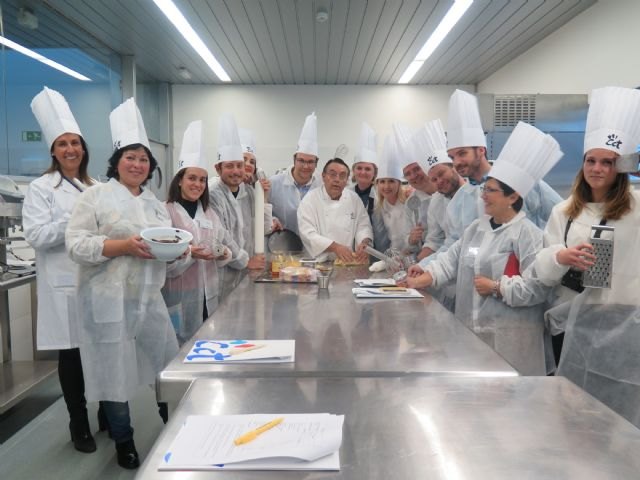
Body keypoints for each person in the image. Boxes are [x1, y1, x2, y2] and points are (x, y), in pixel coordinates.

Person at [66, 99, 182, 469]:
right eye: (130, 157)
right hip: (106, 299)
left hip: (148, 298)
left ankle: (174, 428)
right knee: (111, 371)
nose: (137, 165)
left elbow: (168, 241)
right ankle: (124, 440)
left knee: (166, 366)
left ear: (151, 167)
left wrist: (177, 252)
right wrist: (122, 246)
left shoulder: (154, 204)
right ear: (116, 162)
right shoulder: (94, 196)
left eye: (144, 159)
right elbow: (77, 245)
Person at [403, 122, 562, 375]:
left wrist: (497, 287)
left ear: (512, 197)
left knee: (516, 404)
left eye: (490, 191)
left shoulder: (528, 235)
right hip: (474, 331)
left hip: (515, 339)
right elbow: (450, 259)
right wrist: (426, 275)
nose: (483, 195)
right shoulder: (477, 228)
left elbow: (538, 287)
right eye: (483, 189)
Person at [529, 86, 640, 426]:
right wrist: (562, 256)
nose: (597, 169)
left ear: (620, 167)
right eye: (591, 160)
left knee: (625, 407)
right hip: (576, 321)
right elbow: (541, 268)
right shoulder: (565, 211)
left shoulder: (636, 207)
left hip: (627, 322)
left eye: (607, 162)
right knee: (576, 410)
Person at [23, 87, 97, 453]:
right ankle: (78, 423)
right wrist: (75, 221)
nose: (71, 149)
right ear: (53, 150)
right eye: (63, 143)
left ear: (83, 148)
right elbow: (36, 235)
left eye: (76, 143)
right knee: (71, 359)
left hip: (97, 283)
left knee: (98, 354)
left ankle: (104, 415)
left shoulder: (95, 185)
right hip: (63, 285)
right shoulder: (41, 188)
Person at [445, 90, 562, 245]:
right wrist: (426, 265)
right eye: (452, 157)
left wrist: (552, 253)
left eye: (462, 153)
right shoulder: (459, 200)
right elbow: (453, 246)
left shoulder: (523, 181)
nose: (457, 162)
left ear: (481, 150)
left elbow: (563, 215)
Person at [162, 121, 241, 343]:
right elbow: (166, 266)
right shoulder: (165, 213)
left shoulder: (208, 214)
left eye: (202, 180)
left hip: (210, 296)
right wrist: (190, 254)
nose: (198, 184)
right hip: (179, 296)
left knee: (208, 344)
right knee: (178, 348)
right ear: (179, 181)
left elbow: (226, 249)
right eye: (192, 178)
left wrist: (223, 253)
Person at [209, 114, 273, 298]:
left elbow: (265, 228)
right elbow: (221, 236)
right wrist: (245, 261)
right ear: (218, 168)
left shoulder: (250, 192)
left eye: (240, 165)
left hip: (247, 273)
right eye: (230, 166)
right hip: (223, 274)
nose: (237, 171)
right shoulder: (213, 194)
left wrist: (264, 196)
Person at [298, 158, 373, 263]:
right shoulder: (310, 200)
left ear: (346, 180)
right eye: (332, 174)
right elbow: (308, 233)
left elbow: (363, 225)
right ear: (323, 177)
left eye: (342, 176)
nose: (337, 179)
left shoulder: (353, 198)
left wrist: (365, 243)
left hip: (347, 262)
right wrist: (335, 247)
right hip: (317, 263)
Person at [269, 112, 322, 236]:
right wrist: (272, 219)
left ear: (316, 163)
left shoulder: (322, 185)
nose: (305, 166)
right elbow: (261, 211)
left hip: (314, 249)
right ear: (294, 160)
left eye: (310, 162)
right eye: (301, 161)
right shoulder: (274, 183)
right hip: (281, 248)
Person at [393, 123, 437, 255]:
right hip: (427, 260)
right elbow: (409, 242)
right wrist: (411, 240)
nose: (413, 176)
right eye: (408, 173)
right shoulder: (411, 203)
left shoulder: (445, 192)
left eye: (417, 169)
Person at [370, 134, 411, 253]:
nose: (386, 186)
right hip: (394, 258)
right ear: (377, 184)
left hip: (413, 256)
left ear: (399, 183)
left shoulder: (409, 201)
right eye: (382, 182)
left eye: (391, 181)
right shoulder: (380, 207)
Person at [350, 122, 378, 220]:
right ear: (353, 170)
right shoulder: (346, 193)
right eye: (359, 168)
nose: (363, 172)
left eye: (367, 169)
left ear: (374, 172)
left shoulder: (381, 194)